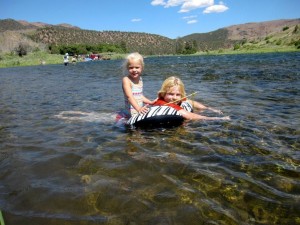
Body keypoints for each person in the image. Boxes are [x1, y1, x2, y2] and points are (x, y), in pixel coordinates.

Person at [153, 76, 230, 121]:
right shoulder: (163, 103)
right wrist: (216, 118)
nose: (174, 98)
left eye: (178, 94)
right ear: (163, 94)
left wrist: (208, 109)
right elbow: (189, 115)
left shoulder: (177, 99)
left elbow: (189, 101)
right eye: (171, 94)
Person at [121, 52, 156, 118]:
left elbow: (139, 96)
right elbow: (129, 97)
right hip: (131, 114)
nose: (134, 70)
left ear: (141, 68)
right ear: (127, 68)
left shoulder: (140, 79)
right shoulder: (126, 80)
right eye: (131, 67)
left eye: (137, 67)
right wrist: (139, 109)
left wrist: (150, 102)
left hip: (139, 112)